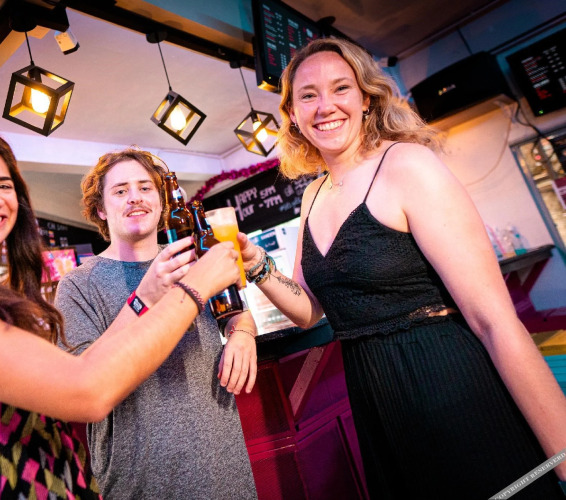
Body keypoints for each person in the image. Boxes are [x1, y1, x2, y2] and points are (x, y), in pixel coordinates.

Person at [236, 37, 566, 499]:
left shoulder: (406, 164)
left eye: (341, 88)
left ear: (366, 98)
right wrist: (257, 263)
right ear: (292, 114)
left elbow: (494, 321)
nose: (325, 106)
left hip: (451, 386)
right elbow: (310, 311)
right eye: (308, 95)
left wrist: (562, 452)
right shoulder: (313, 195)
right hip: (377, 400)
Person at [0, 129, 242, 499]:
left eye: (4, 185)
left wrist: (150, 302)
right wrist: (194, 289)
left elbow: (84, 367)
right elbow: (88, 391)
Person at [54, 147, 258, 499]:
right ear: (101, 209)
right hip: (142, 481)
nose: (135, 197)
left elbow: (237, 311)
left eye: (145, 187)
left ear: (163, 201)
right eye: (120, 190)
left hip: (225, 467)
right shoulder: (77, 285)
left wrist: (241, 333)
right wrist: (143, 298)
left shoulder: (195, 258)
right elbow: (79, 380)